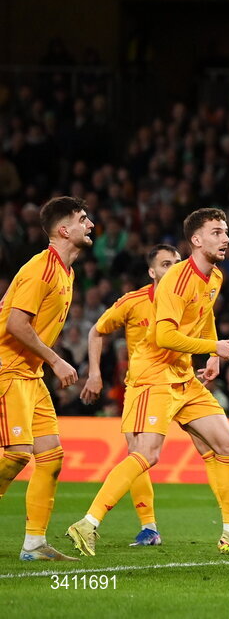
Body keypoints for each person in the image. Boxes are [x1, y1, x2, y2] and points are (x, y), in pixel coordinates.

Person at [67, 208, 229, 556]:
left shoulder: (215, 277)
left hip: (184, 378)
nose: (227, 238)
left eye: (227, 232)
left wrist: (213, 357)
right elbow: (164, 335)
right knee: (146, 455)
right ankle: (88, 524)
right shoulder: (174, 281)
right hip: (152, 380)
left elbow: (204, 317)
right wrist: (211, 347)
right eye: (217, 232)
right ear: (197, 240)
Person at [0, 196, 92, 561]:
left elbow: (7, 304)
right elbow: (15, 323)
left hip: (30, 373)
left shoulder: (65, 271)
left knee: (51, 456)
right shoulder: (42, 268)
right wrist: (57, 361)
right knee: (17, 455)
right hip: (8, 369)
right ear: (64, 229)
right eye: (83, 219)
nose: (91, 225)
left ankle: (34, 544)